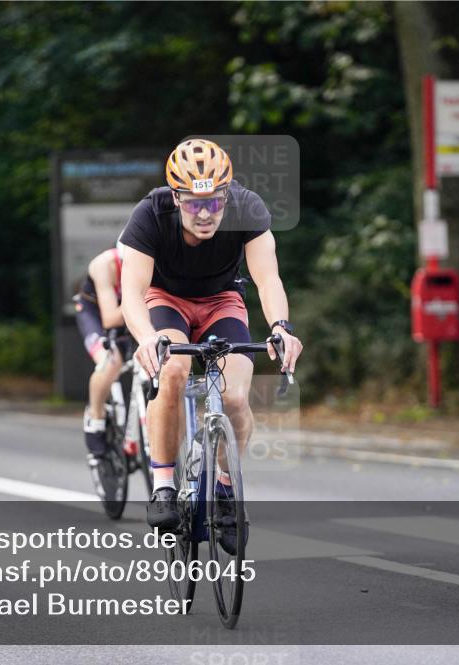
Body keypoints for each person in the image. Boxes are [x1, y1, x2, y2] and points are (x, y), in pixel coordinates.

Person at [119, 138, 303, 549]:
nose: (204, 214)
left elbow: (267, 277)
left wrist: (280, 327)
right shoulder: (150, 213)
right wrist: (147, 338)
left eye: (215, 203)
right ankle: (164, 483)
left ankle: (223, 487)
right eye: (192, 204)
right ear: (176, 196)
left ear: (226, 194)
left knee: (236, 397)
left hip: (222, 299)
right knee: (172, 371)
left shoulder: (247, 207)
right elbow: (131, 290)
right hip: (166, 299)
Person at [74, 246, 128, 496]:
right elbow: (111, 320)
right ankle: (95, 417)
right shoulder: (104, 264)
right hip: (96, 314)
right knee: (110, 361)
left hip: (129, 313)